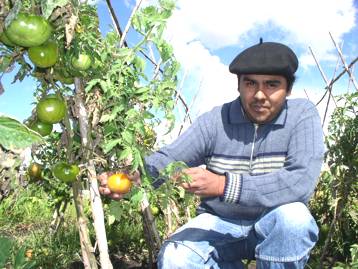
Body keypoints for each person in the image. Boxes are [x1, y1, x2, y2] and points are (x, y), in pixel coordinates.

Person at [99, 40, 325, 269]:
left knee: (294, 221)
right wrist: (134, 177)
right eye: (250, 83)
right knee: (175, 259)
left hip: (274, 220)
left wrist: (223, 186)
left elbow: (300, 181)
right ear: (238, 86)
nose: (259, 94)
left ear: (288, 89)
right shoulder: (216, 120)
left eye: (271, 84)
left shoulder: (302, 115)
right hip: (220, 221)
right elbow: (169, 158)